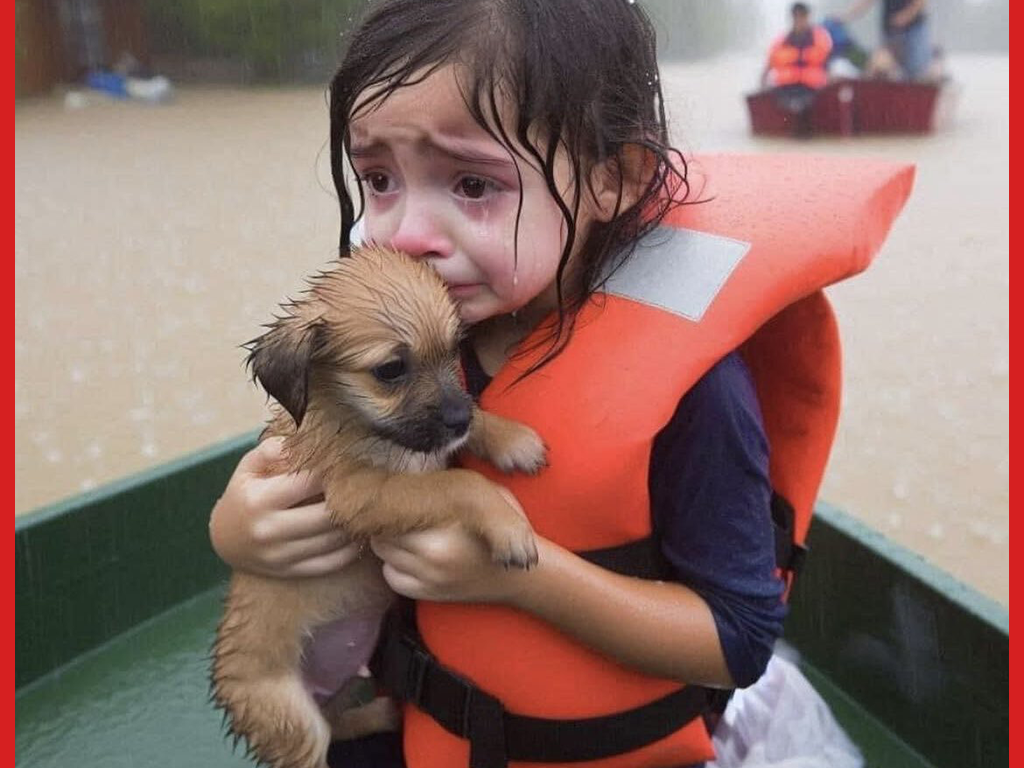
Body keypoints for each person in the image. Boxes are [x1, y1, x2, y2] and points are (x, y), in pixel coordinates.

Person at [209, 2, 854, 766]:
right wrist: (237, 529)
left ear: (613, 177)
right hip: (419, 721)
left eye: (474, 184)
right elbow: (319, 466)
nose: (407, 232)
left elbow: (739, 641)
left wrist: (526, 580)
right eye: (377, 178)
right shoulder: (406, 328)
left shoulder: (699, 396)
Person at [761, 3, 833, 133]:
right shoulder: (781, 41)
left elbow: (827, 64)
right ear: (792, 18)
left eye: (802, 16)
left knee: (805, 105)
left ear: (808, 17)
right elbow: (769, 66)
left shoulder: (820, 38)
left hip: (811, 88)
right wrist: (762, 84)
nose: (799, 19)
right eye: (796, 16)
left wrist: (830, 81)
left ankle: (804, 125)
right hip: (786, 88)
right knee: (789, 104)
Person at [841, 0, 934, 81]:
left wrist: (904, 17)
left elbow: (920, 3)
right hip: (891, 31)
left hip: (912, 30)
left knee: (915, 71)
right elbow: (865, 2)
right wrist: (845, 17)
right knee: (881, 67)